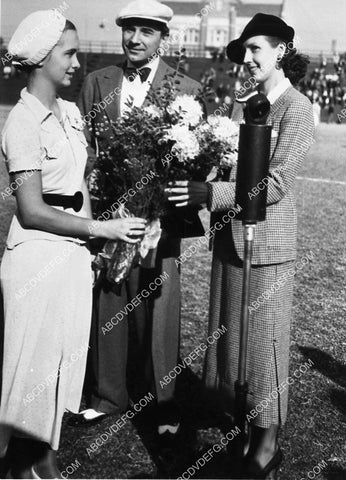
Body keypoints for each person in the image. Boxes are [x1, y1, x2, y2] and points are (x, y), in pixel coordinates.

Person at [167, 13, 315, 479]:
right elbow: (226, 163)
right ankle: (243, 427)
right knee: (233, 342)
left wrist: (209, 194)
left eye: (256, 49)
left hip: (267, 246)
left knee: (264, 346)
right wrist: (200, 172)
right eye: (244, 51)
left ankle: (267, 447)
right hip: (230, 239)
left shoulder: (297, 107)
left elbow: (274, 184)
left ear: (280, 52)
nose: (247, 59)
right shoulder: (243, 103)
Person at [0, 10, 146, 478]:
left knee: (60, 369)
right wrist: (100, 232)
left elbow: (81, 189)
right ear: (41, 60)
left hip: (71, 259)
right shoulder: (22, 121)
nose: (78, 63)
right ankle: (23, 467)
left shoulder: (72, 113)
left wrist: (110, 221)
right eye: (69, 53)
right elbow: (31, 210)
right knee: (31, 376)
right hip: (35, 260)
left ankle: (42, 462)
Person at [71, 0, 202, 443]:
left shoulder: (187, 87)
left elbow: (193, 161)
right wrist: (100, 189)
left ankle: (162, 400)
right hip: (112, 216)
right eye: (129, 29)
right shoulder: (96, 82)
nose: (135, 39)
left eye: (147, 31)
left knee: (159, 306)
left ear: (163, 37)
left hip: (160, 221)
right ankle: (109, 395)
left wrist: (160, 204)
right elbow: (82, 147)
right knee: (110, 298)